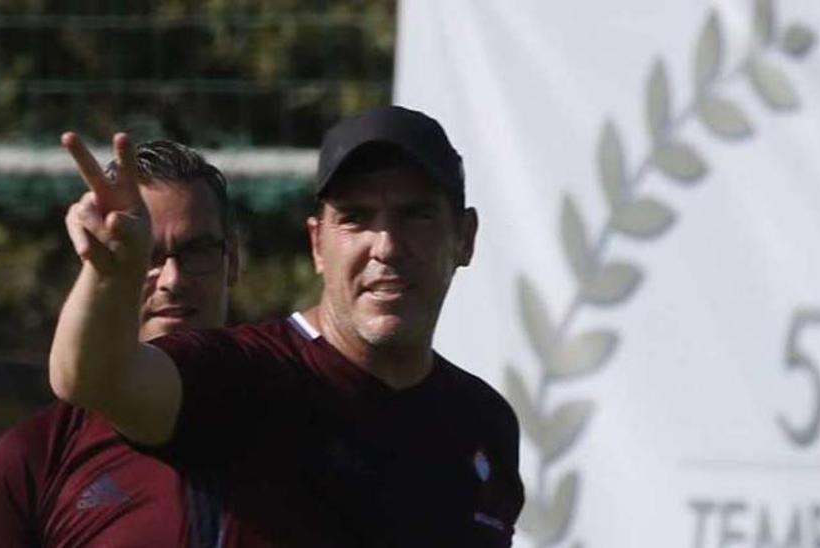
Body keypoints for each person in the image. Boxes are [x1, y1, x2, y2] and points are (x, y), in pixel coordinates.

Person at [50, 105, 526, 546]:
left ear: (464, 238)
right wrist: (108, 276)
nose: (386, 247)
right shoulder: (241, 374)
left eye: (415, 216)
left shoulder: (484, 422)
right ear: (318, 244)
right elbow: (94, 380)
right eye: (355, 219)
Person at [0, 140, 240, 547]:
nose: (172, 280)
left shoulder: (296, 417)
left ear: (234, 260)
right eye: (146, 255)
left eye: (196, 251)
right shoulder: (37, 455)